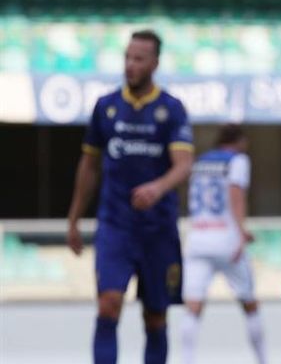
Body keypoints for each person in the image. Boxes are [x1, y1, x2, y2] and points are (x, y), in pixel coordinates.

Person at [67, 30, 194, 364]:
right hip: (115, 226)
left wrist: (157, 188)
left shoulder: (171, 109)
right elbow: (89, 165)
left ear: (154, 63)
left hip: (158, 230)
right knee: (108, 304)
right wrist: (74, 219)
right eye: (127, 57)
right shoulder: (106, 106)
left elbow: (183, 165)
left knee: (155, 317)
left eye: (138, 59)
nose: (130, 65)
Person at [180, 124, 266, 364]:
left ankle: (187, 360)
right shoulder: (238, 161)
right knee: (249, 303)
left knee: (193, 307)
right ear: (240, 141)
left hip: (198, 238)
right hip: (227, 240)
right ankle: (263, 360)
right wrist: (241, 231)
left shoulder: (200, 162)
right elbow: (235, 195)